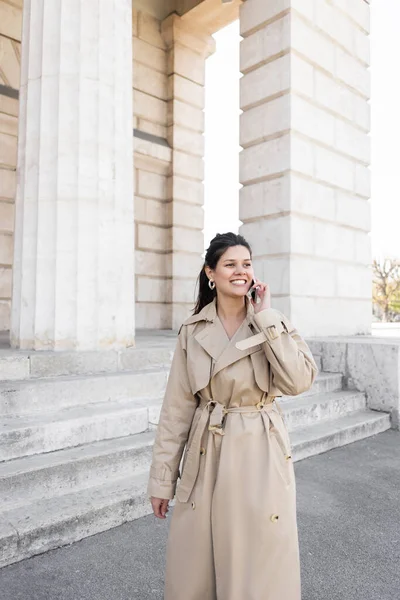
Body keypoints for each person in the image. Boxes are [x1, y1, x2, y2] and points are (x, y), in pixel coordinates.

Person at [147, 232, 318, 600]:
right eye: (230, 264)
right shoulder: (193, 331)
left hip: (259, 451)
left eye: (247, 263)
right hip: (207, 451)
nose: (241, 271)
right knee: (198, 564)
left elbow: (300, 380)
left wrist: (267, 317)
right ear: (211, 273)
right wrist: (162, 481)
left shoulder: (271, 323)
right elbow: (176, 410)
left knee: (258, 560)